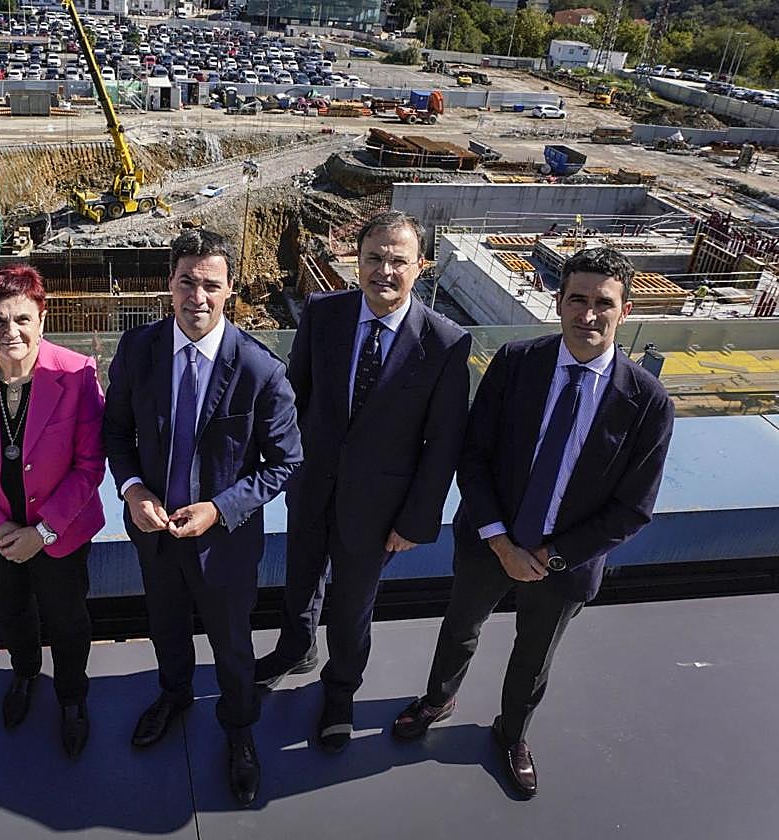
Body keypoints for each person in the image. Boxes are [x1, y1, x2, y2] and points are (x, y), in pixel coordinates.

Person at [392, 247, 675, 798]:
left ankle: (512, 733)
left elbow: (633, 506)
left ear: (626, 309)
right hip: (489, 543)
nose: (588, 315)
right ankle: (438, 698)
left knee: (535, 655)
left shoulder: (646, 401)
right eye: (577, 300)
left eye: (603, 304)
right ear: (557, 300)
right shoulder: (518, 363)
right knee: (460, 629)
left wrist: (550, 557)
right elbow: (473, 456)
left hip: (562, 566)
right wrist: (501, 543)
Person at [253, 211, 473, 754]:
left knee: (353, 606)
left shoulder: (445, 343)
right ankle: (295, 649)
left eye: (399, 260)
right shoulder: (323, 314)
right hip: (311, 487)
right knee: (300, 578)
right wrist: (283, 470)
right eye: (374, 258)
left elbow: (442, 443)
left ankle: (340, 690)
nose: (385, 271)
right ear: (357, 261)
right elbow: (293, 399)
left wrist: (416, 520)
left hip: (380, 510)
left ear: (420, 267)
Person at [102, 228, 302, 806]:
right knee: (164, 626)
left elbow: (287, 461)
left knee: (233, 645)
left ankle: (239, 730)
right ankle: (175, 694)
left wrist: (219, 508)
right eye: (186, 281)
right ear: (169, 282)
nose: (198, 296)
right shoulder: (138, 350)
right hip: (155, 531)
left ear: (230, 289)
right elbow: (116, 430)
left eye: (211, 285)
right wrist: (134, 488)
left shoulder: (260, 370)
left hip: (224, 542)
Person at [0, 264, 106, 759]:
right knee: (11, 611)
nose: (11, 331)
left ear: (42, 318)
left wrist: (45, 531)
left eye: (22, 319)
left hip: (61, 532)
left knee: (68, 618)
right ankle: (26, 672)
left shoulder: (76, 374)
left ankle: (72, 696)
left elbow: (89, 464)